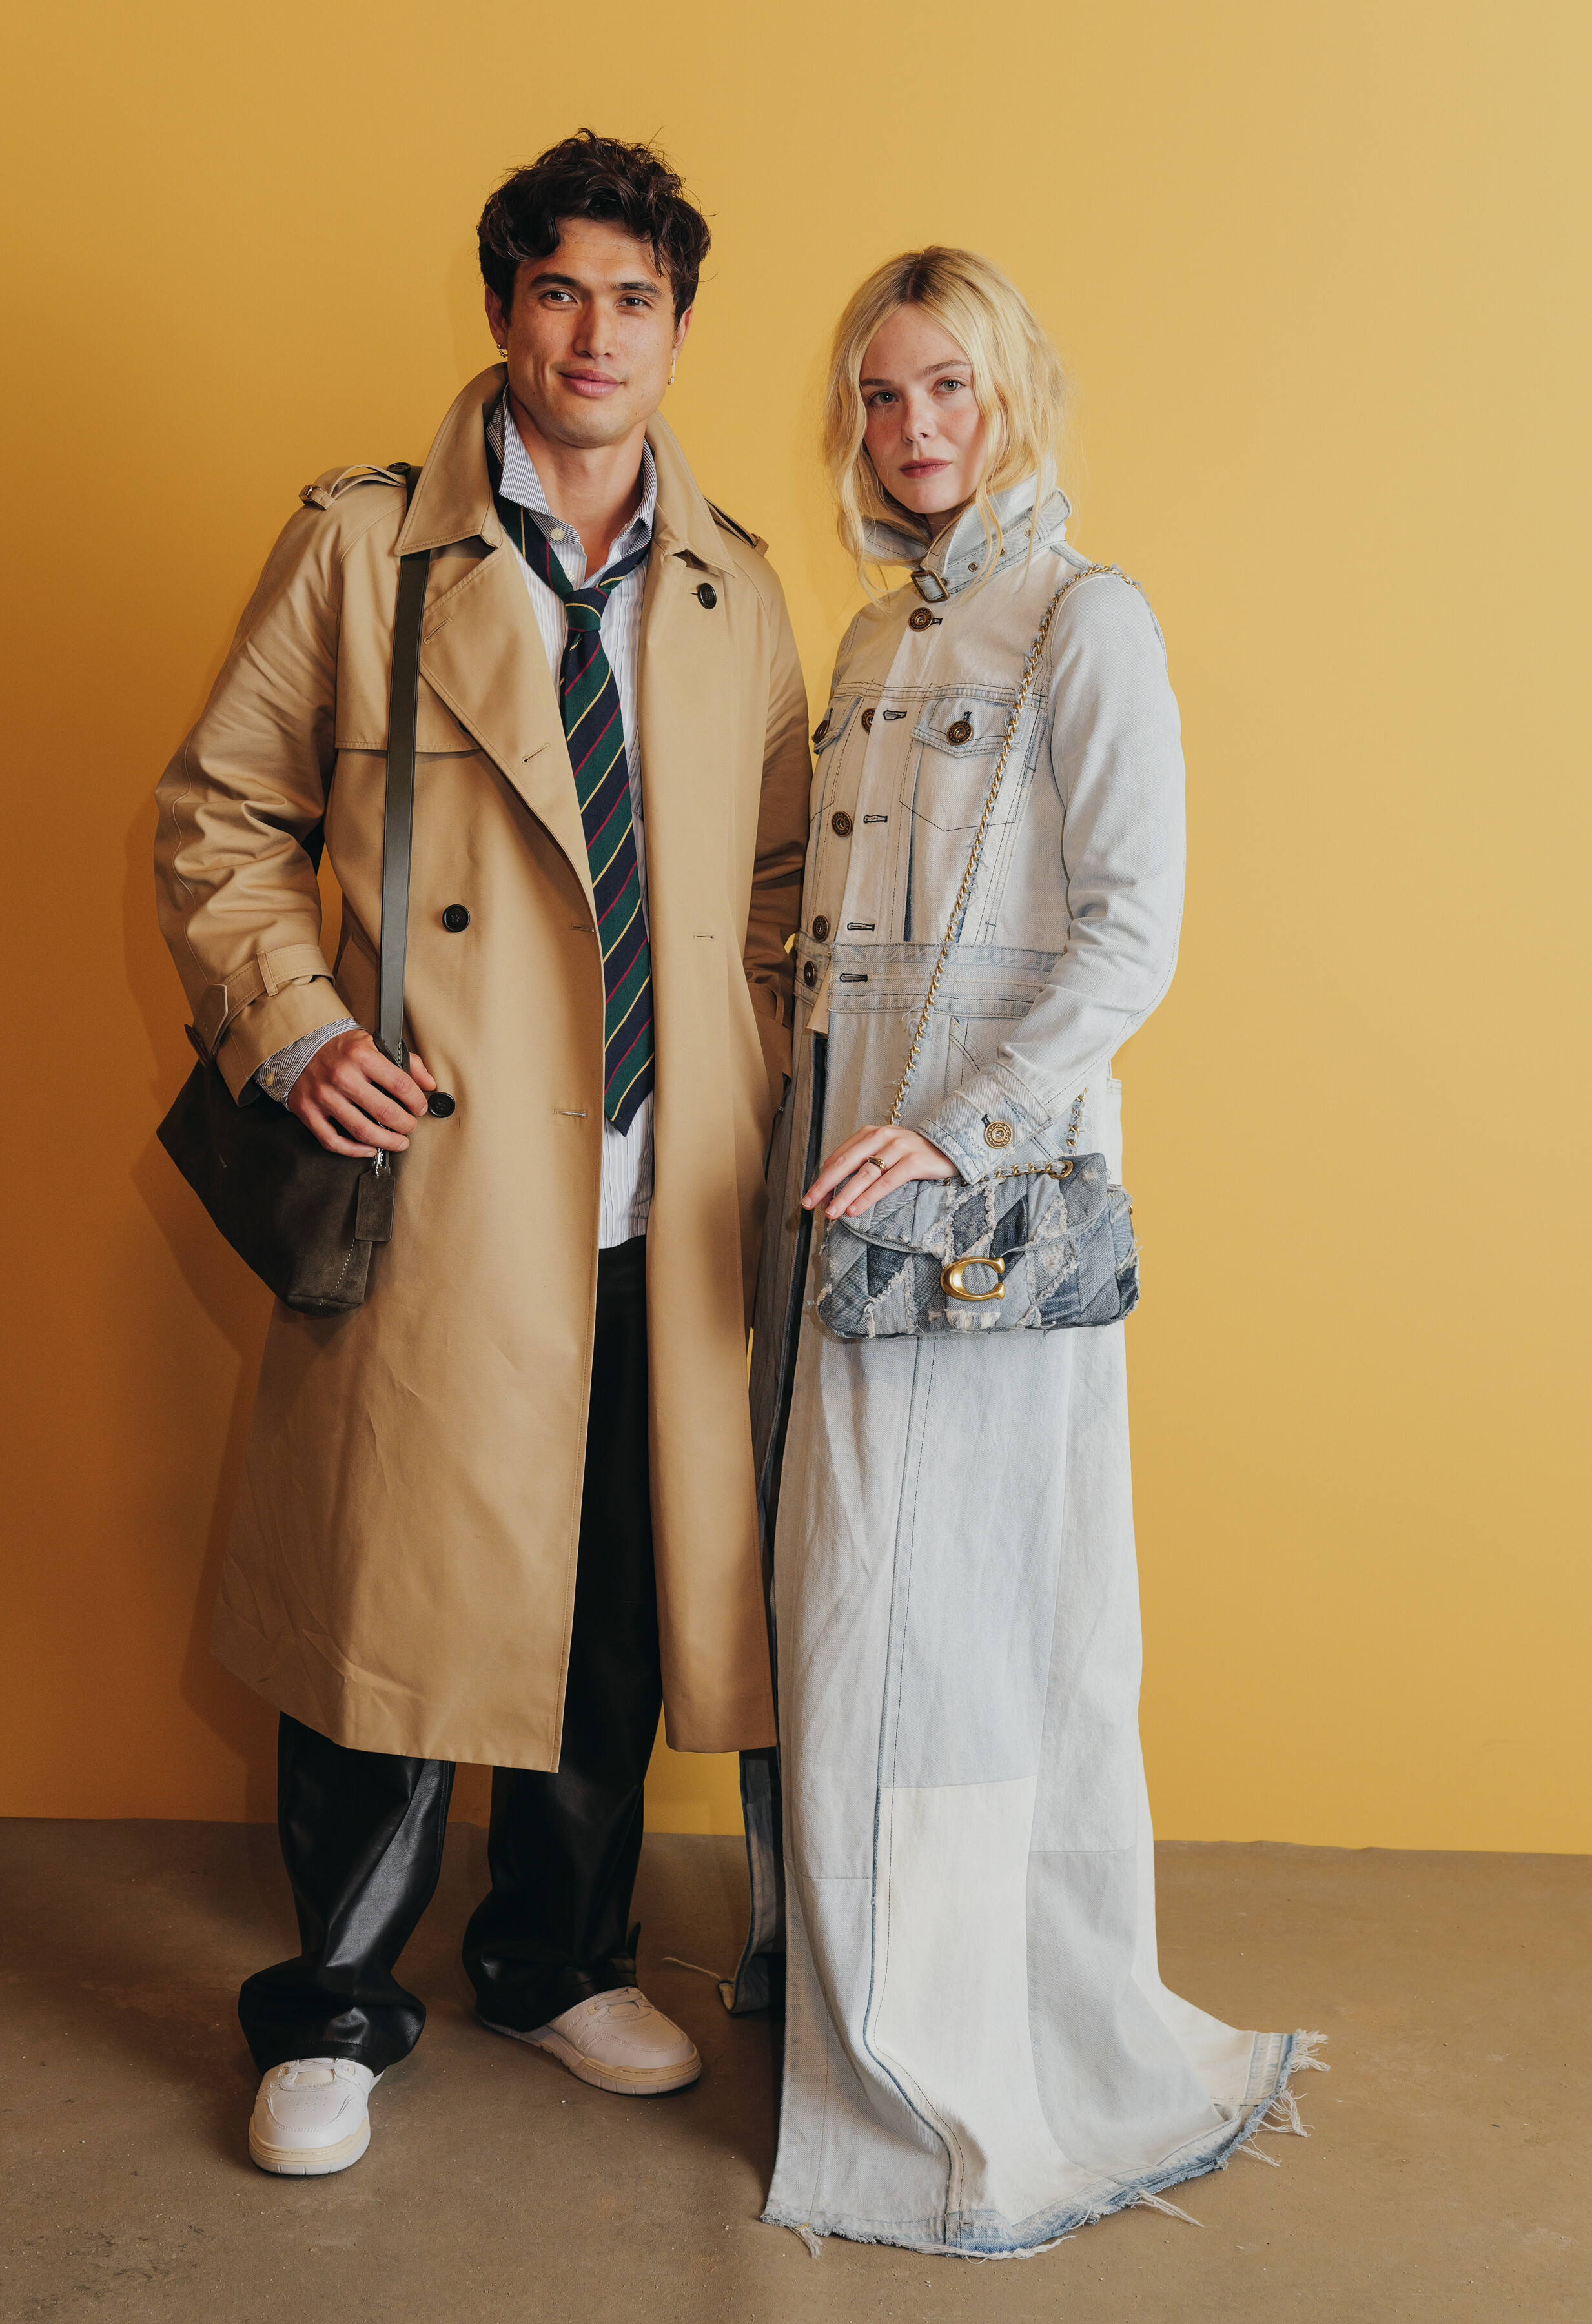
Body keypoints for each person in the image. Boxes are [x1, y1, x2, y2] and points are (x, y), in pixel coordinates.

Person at [154, 130, 809, 2176]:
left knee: (605, 1598)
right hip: (443, 1175)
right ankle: (334, 2009)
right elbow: (219, 816)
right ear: (504, 309)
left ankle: (553, 1958)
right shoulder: (366, 550)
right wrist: (298, 1027)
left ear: (676, 329)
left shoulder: (736, 588)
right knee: (389, 1597)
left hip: (657, 1193)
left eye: (634, 298)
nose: (595, 333)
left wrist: (743, 1076)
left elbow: (775, 889)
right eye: (558, 290)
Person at [738, 247, 1319, 2256]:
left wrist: (957, 1127)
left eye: (947, 389)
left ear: (1012, 399)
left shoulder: (1087, 618)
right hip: (831, 1188)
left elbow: (1132, 933)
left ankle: (958, 2065)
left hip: (975, 1212)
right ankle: (867, 2017)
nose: (910, 430)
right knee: (849, 1611)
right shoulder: (868, 637)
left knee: (966, 1632)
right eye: (879, 394)